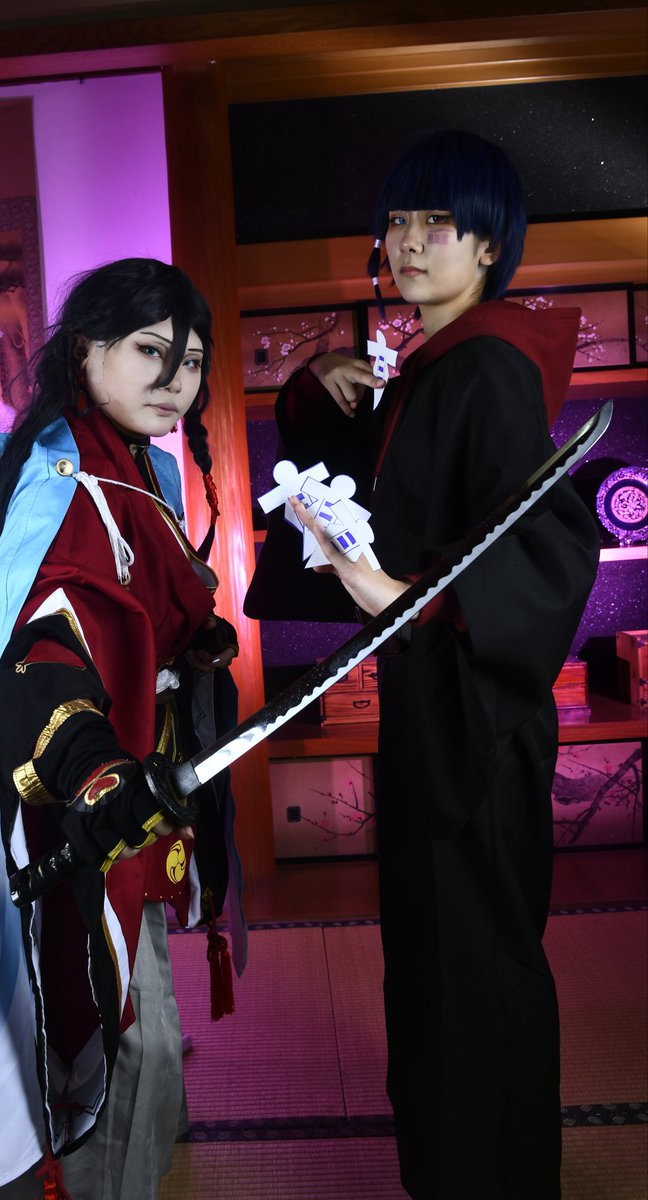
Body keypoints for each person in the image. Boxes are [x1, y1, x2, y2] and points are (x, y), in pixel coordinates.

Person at [246, 131, 600, 1199]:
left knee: (472, 965)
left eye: (436, 223)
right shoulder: (435, 367)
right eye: (396, 222)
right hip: (434, 700)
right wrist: (317, 392)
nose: (407, 241)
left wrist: (409, 597)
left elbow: (550, 547)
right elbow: (373, 495)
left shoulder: (485, 367)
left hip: (473, 718)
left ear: (489, 245)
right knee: (439, 957)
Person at [0, 258, 241, 1199]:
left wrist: (191, 643)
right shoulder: (49, 475)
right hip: (62, 799)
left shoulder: (145, 468)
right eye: (151, 352)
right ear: (86, 350)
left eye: (192, 362)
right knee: (97, 1037)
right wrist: (91, 766)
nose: (177, 381)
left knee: (133, 1040)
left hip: (136, 784)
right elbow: (39, 641)